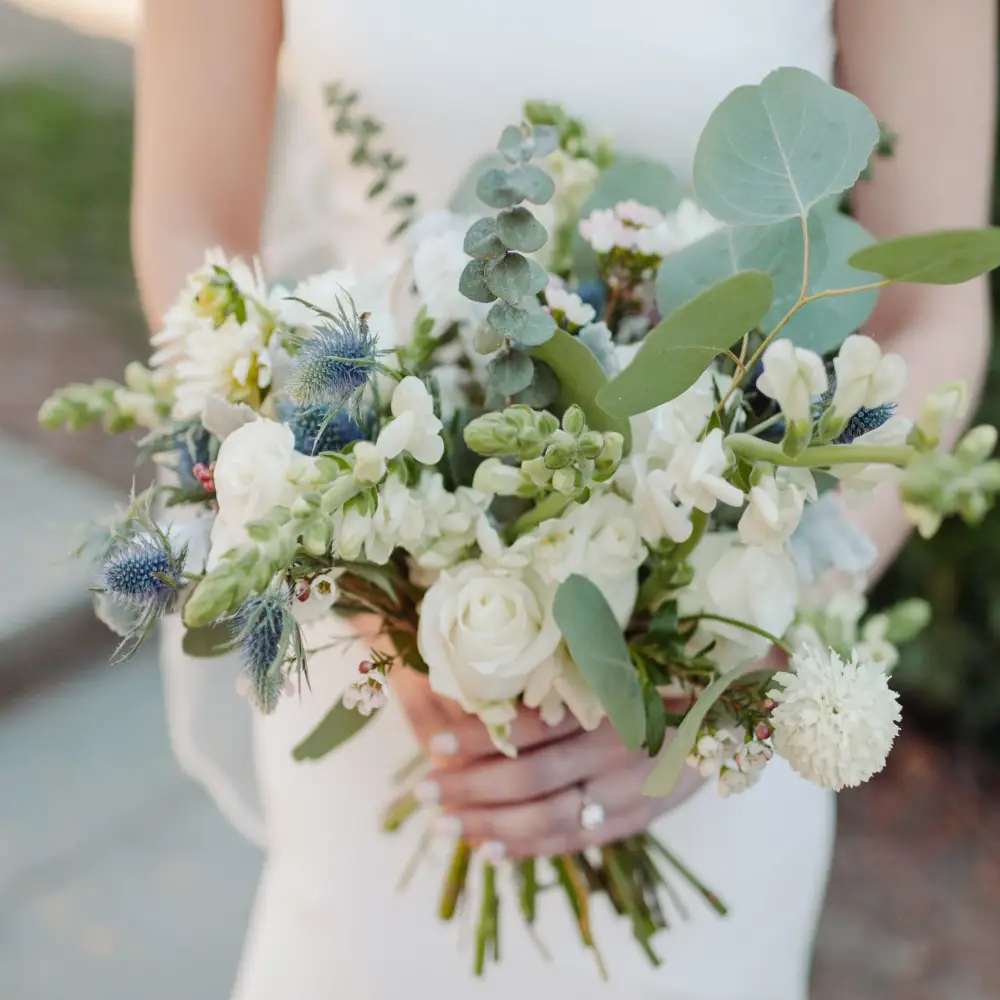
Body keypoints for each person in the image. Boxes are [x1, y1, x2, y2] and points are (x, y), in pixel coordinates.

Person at [124, 1, 996, 998]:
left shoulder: (721, 660)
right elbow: (191, 228)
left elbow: (933, 315)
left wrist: (725, 655)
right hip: (389, 687)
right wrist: (375, 573)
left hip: (704, 707)